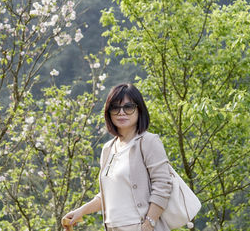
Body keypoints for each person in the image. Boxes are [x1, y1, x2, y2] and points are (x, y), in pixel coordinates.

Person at [62, 83, 172, 231]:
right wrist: (81, 211)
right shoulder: (108, 149)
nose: (121, 112)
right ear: (109, 112)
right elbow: (108, 194)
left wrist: (149, 224)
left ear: (139, 109)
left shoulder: (148, 142)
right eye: (115, 108)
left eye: (128, 107)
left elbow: (163, 185)